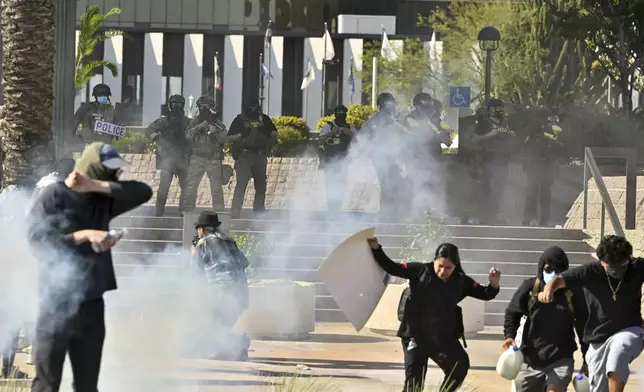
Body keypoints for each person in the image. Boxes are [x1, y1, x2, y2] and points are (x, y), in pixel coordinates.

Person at [27, 142, 152, 392]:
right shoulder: (54, 195)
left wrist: (94, 185)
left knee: (87, 385)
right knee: (46, 384)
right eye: (108, 170)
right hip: (56, 303)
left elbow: (143, 191)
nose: (115, 176)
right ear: (91, 167)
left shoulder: (102, 200)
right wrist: (85, 235)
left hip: (92, 303)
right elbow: (38, 241)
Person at [367, 237, 501, 392]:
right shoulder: (419, 271)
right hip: (415, 335)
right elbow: (391, 267)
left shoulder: (461, 281)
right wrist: (377, 248)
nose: (443, 271)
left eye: (448, 268)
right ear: (434, 261)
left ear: (455, 266)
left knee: (460, 365)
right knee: (414, 383)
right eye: (440, 266)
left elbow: (485, 293)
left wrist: (494, 283)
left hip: (441, 336)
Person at [538, 235, 644, 392]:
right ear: (601, 262)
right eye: (611, 267)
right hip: (598, 339)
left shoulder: (638, 267)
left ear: (629, 258)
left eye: (621, 266)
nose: (616, 271)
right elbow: (560, 279)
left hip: (630, 330)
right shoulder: (589, 272)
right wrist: (549, 288)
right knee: (598, 388)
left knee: (618, 353)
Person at [503, 246, 588, 392]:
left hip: (561, 357)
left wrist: (587, 359)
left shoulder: (572, 294)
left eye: (558, 270)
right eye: (548, 269)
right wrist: (509, 335)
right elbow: (512, 313)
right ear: (541, 269)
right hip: (530, 359)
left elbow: (583, 327)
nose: (553, 274)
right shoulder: (530, 287)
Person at [190, 212, 250, 360]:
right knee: (221, 326)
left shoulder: (202, 243)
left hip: (221, 291)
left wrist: (193, 253)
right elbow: (245, 262)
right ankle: (238, 344)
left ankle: (236, 344)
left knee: (211, 325)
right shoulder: (230, 241)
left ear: (202, 230)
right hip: (241, 293)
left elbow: (195, 273)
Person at [180, 96, 238, 213]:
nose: (203, 109)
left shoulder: (217, 124)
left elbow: (224, 138)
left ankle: (219, 211)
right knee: (191, 186)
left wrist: (214, 132)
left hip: (213, 159)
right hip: (197, 157)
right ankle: (187, 211)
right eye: (201, 107)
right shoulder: (195, 122)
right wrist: (198, 128)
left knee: (216, 188)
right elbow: (187, 136)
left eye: (206, 107)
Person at [228, 98, 278, 219]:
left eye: (254, 107)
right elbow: (229, 137)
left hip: (260, 155)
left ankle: (259, 211)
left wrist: (265, 131)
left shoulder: (264, 119)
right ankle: (235, 212)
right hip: (244, 155)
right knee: (241, 185)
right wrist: (241, 134)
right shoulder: (239, 120)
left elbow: (275, 133)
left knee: (261, 185)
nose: (252, 110)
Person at [471, 98, 516, 225]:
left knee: (500, 190)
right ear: (490, 109)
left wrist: (511, 134)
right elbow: (474, 139)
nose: (499, 110)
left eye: (501, 108)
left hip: (503, 161)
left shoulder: (506, 123)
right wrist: (490, 134)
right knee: (488, 189)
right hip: (488, 160)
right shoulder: (484, 123)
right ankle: (486, 217)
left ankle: (498, 216)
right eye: (496, 107)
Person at [360, 93, 407, 217]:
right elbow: (402, 132)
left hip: (380, 156)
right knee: (389, 183)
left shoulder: (375, 119)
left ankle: (388, 211)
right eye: (391, 102)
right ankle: (388, 212)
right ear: (386, 104)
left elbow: (364, 136)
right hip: (384, 156)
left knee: (389, 182)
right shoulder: (387, 118)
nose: (394, 105)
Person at [147, 94, 190, 216]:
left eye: (179, 104)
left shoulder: (187, 122)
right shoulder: (163, 121)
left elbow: (194, 135)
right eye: (174, 104)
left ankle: (183, 212)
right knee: (163, 188)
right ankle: (159, 212)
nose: (176, 107)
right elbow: (149, 130)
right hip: (167, 159)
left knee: (186, 189)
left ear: (183, 106)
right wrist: (158, 139)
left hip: (183, 158)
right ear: (170, 106)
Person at [522, 111, 564, 226]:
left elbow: (558, 147)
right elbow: (527, 149)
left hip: (546, 166)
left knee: (544, 195)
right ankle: (529, 218)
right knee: (532, 193)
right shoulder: (532, 132)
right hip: (534, 166)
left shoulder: (551, 131)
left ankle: (543, 220)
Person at [317, 105, 357, 211]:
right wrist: (331, 133)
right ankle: (331, 207)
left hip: (343, 161)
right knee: (330, 184)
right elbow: (320, 141)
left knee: (342, 184)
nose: (340, 117)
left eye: (342, 114)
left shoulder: (350, 128)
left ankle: (338, 207)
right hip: (329, 161)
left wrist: (350, 134)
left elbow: (360, 141)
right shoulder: (328, 126)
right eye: (338, 114)